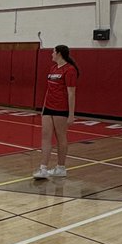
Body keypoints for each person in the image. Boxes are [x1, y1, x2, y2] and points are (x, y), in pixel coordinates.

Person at [33, 44, 79, 179]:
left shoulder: (70, 70)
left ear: (59, 53)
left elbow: (71, 93)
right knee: (45, 137)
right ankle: (43, 168)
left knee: (61, 138)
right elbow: (48, 89)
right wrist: (43, 107)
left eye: (53, 52)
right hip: (48, 107)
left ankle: (61, 167)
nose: (51, 54)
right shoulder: (53, 68)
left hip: (61, 108)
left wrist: (71, 114)